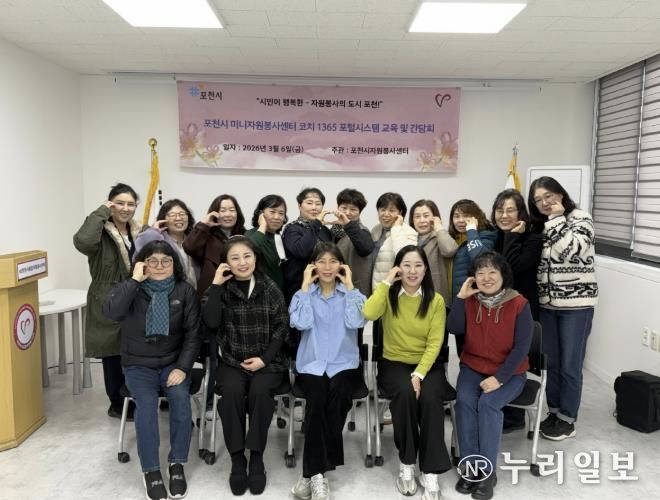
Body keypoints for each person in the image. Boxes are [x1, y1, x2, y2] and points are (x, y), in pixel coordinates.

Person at [102, 241, 201, 500]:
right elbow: (111, 312)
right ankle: (151, 470)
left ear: (174, 264)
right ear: (142, 263)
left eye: (165, 261)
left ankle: (177, 463)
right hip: (138, 365)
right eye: (152, 261)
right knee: (145, 405)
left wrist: (183, 367)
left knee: (180, 399)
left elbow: (193, 335)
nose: (159, 266)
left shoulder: (185, 291)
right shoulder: (129, 288)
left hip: (172, 363)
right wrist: (135, 280)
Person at [202, 236, 289, 496]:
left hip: (267, 361)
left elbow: (282, 326)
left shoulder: (269, 286)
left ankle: (257, 457)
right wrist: (216, 286)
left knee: (261, 393)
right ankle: (238, 458)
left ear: (255, 258)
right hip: (232, 361)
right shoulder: (220, 288)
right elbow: (210, 323)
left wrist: (264, 358)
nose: (242, 262)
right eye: (235, 258)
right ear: (226, 263)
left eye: (247, 256)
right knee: (230, 394)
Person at [363, 245, 450, 500]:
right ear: (398, 268)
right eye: (407, 265)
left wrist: (419, 374)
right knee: (404, 393)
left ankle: (430, 471)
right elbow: (368, 313)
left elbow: (435, 342)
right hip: (394, 363)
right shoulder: (389, 295)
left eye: (418, 265)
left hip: (427, 364)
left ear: (426, 269)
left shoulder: (435, 300)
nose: (412, 271)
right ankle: (408, 463)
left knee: (431, 398)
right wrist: (386, 282)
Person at [447, 251, 532, 500]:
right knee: (464, 401)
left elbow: (521, 348)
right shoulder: (471, 301)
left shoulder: (519, 304)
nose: (486, 277)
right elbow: (453, 328)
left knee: (488, 404)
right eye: (481, 272)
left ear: (503, 275)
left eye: (492, 272)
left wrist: (500, 378)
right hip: (473, 367)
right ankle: (470, 467)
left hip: (510, 373)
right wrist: (461, 298)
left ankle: (487, 472)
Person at [289, 242, 367, 500]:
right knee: (317, 397)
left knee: (340, 395)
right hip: (312, 364)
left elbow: (356, 321)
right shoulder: (302, 295)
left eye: (333, 261)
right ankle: (318, 474)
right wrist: (304, 287)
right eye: (321, 261)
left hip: (344, 363)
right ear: (312, 266)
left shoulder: (352, 294)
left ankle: (311, 473)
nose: (327, 267)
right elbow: (301, 323)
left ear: (342, 266)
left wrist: (350, 286)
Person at [528, 176, 598, 441]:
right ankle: (554, 412)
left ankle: (568, 419)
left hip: (576, 306)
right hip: (548, 305)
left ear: (561, 194)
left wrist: (557, 219)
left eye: (548, 196)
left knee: (570, 364)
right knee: (552, 363)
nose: (544, 203)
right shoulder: (542, 225)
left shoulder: (581, 218)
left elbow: (572, 250)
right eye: (538, 200)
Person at [73, 182, 142, 419]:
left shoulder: (138, 230)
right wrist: (101, 212)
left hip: (135, 296)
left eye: (130, 204)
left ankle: (137, 396)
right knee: (112, 353)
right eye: (119, 203)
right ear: (110, 203)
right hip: (108, 296)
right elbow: (82, 242)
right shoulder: (100, 230)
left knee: (134, 350)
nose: (125, 208)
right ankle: (117, 403)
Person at [491, 189, 542, 433]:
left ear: (521, 213)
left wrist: (512, 236)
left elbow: (509, 269)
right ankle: (497, 407)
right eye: (500, 210)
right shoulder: (496, 237)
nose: (504, 215)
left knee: (515, 360)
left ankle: (514, 416)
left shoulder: (532, 239)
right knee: (497, 358)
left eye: (510, 210)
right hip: (498, 310)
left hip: (522, 311)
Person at [447, 199, 497, 356]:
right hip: (459, 303)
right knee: (462, 351)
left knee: (477, 352)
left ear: (477, 217)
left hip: (478, 304)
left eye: (466, 216)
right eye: (456, 216)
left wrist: (471, 231)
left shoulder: (486, 235)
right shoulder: (455, 240)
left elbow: (480, 260)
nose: (461, 220)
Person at [183, 194, 246, 297]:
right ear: (215, 213)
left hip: (240, 293)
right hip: (212, 293)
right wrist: (204, 224)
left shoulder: (245, 236)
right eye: (223, 210)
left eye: (232, 210)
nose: (228, 214)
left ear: (237, 213)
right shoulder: (205, 235)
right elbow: (189, 247)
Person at [282, 187, 333, 304]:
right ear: (299, 206)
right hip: (298, 289)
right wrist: (316, 223)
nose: (314, 207)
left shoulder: (324, 230)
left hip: (324, 289)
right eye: (309, 203)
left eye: (318, 204)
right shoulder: (292, 228)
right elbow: (302, 251)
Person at [134, 198, 199, 289]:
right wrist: (153, 232)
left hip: (194, 292)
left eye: (182, 214)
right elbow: (139, 254)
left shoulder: (194, 240)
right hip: (168, 292)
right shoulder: (158, 239)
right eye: (172, 215)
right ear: (163, 219)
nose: (178, 218)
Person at [409, 199, 457, 306]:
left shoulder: (440, 236)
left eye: (426, 216)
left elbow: (449, 250)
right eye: (417, 216)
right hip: (411, 298)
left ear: (435, 217)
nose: (422, 220)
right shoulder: (408, 238)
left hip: (437, 298)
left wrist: (438, 227)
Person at [331, 188, 375, 297]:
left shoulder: (362, 231)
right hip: (333, 289)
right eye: (344, 208)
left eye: (353, 209)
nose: (347, 213)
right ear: (338, 208)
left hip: (355, 290)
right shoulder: (333, 230)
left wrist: (347, 224)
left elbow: (365, 249)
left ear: (360, 212)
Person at [370, 193, 418, 292]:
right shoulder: (375, 230)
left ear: (400, 213)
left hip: (395, 290)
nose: (386, 214)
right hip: (376, 290)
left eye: (392, 210)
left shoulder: (409, 232)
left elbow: (405, 257)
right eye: (383, 210)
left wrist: (396, 228)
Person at [245, 194, 288, 290]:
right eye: (272, 212)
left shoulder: (279, 238)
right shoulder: (251, 234)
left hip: (278, 293)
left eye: (281, 213)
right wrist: (263, 226)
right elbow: (248, 251)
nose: (277, 217)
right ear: (261, 214)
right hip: (259, 293)